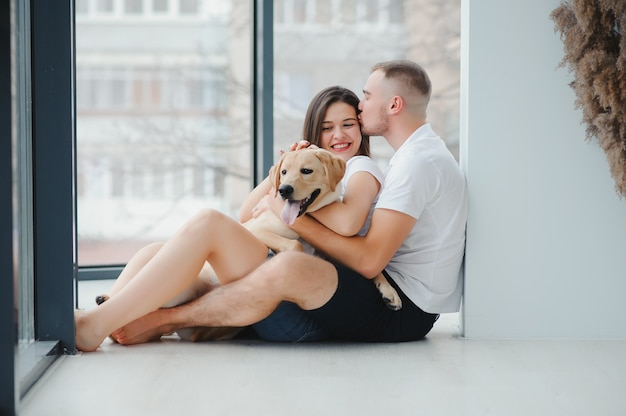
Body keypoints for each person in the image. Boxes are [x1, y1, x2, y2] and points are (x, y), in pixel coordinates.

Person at [77, 59, 468, 348]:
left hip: (400, 308)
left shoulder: (399, 165)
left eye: (365, 99)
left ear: (394, 104)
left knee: (245, 242)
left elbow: (367, 258)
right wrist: (282, 172)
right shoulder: (407, 159)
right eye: (328, 128)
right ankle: (111, 312)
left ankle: (133, 321)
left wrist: (292, 217)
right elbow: (253, 211)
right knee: (156, 252)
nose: (361, 108)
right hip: (370, 293)